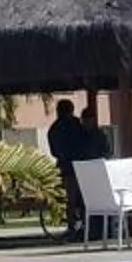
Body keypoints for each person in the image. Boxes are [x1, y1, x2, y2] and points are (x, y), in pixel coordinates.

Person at [44, 99, 89, 239]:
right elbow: (84, 141)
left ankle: (72, 228)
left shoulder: (55, 127)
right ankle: (81, 227)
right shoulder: (75, 124)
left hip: (65, 167)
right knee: (80, 198)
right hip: (78, 166)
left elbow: (54, 150)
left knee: (71, 199)